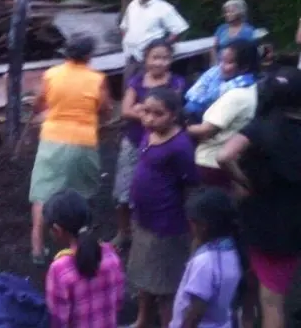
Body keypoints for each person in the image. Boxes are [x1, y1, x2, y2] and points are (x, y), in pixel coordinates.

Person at [217, 67, 301, 328]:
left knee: (272, 300)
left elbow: (224, 156)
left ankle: (249, 316)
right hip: (294, 218)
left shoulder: (262, 128)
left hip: (266, 222)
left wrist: (243, 180)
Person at [29, 34, 111, 265]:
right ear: (88, 55)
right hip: (84, 141)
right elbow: (105, 109)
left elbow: (38, 104)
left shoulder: (52, 74)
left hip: (53, 138)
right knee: (81, 192)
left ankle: (37, 246)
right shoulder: (97, 79)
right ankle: (79, 245)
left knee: (42, 192)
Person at [127, 87, 199, 328]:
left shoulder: (180, 146)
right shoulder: (149, 134)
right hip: (143, 219)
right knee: (144, 278)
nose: (148, 118)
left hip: (166, 224)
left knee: (166, 286)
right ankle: (142, 320)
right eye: (146, 111)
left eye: (157, 114)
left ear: (173, 115)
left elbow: (190, 185)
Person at [112, 39, 185, 248]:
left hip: (163, 145)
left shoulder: (177, 82)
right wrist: (154, 112)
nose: (159, 62)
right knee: (123, 190)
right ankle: (123, 232)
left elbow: (173, 111)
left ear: (170, 60)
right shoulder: (137, 80)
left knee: (152, 189)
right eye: (155, 57)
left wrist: (141, 108)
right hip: (134, 141)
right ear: (146, 59)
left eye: (164, 57)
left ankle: (143, 234)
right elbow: (125, 111)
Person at [44, 189, 124, 328]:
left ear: (57, 230)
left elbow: (58, 320)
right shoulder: (111, 256)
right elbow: (118, 302)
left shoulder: (59, 269)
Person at [188, 40, 259, 190]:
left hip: (211, 163)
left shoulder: (235, 95)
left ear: (244, 66)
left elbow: (206, 131)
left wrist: (176, 127)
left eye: (228, 62)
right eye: (221, 60)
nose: (221, 67)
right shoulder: (252, 87)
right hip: (226, 163)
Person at [169, 187, 243, 328]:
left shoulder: (205, 263)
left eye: (192, 221)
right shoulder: (234, 250)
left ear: (203, 226)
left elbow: (195, 312)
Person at [185, 0, 258, 121]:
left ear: (240, 12)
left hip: (237, 67)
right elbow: (214, 47)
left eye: (231, 11)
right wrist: (215, 64)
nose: (227, 14)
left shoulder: (248, 30)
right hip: (221, 65)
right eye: (226, 11)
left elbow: (251, 52)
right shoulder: (222, 29)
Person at [119, 0, 189, 85]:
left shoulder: (163, 8)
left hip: (150, 60)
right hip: (131, 57)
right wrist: (127, 42)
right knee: (128, 88)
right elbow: (124, 27)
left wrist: (163, 47)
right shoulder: (133, 5)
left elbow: (179, 28)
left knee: (147, 89)